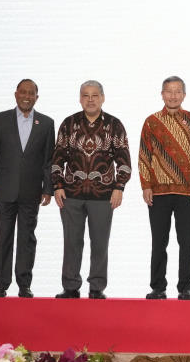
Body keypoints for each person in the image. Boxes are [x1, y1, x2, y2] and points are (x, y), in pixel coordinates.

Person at [51, 80, 131, 299]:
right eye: (85, 95)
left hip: (103, 195)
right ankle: (70, 286)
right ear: (80, 98)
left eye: (95, 95)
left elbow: (124, 160)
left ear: (102, 98)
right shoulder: (69, 123)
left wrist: (119, 187)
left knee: (100, 242)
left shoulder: (114, 125)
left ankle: (96, 287)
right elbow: (58, 158)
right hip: (71, 194)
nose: (90, 99)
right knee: (72, 241)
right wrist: (57, 186)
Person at [0, 79, 56, 298]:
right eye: (23, 92)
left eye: (31, 93)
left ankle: (24, 283)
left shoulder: (46, 123)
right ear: (16, 94)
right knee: (3, 235)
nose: (26, 96)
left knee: (27, 238)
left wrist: (48, 189)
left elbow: (48, 160)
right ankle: (0, 283)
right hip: (4, 189)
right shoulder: (0, 119)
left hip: (31, 191)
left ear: (37, 97)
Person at [139, 76, 190, 301]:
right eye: (169, 91)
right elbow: (143, 156)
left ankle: (185, 287)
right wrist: (146, 185)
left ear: (184, 95)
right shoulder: (151, 122)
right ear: (162, 94)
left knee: (186, 241)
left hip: (188, 190)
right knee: (159, 241)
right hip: (158, 191)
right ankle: (158, 287)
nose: (173, 95)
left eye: (178, 91)